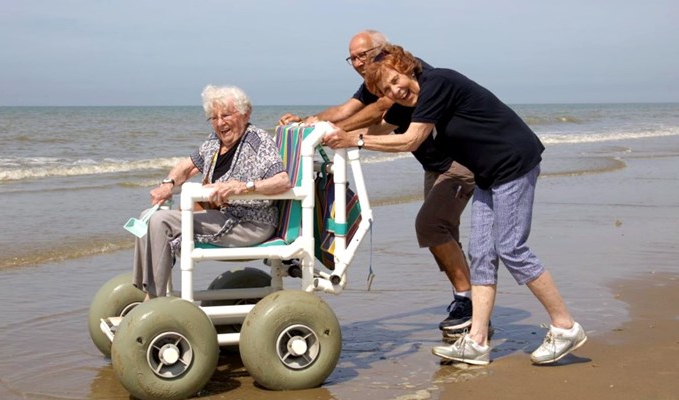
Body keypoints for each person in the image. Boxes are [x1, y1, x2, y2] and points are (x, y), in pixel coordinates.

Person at [323, 43, 586, 365]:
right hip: (489, 173)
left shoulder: (438, 84)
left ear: (406, 67)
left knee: (511, 248)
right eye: (387, 89)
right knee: (481, 254)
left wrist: (357, 140)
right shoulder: (410, 103)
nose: (396, 89)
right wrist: (322, 130)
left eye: (396, 80)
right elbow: (379, 127)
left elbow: (410, 140)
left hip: (514, 164)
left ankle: (565, 326)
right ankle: (476, 341)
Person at [280, 30, 477, 337]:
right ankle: (467, 303)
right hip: (435, 165)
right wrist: (308, 122)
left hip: (459, 163)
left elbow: (380, 110)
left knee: (430, 226)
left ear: (384, 50)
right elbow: (347, 111)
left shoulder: (401, 73)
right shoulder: (373, 80)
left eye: (364, 55)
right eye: (353, 58)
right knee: (444, 233)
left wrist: (335, 132)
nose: (358, 62)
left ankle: (468, 302)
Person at [133, 85, 291, 299]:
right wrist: (167, 184)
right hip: (221, 217)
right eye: (213, 118)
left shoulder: (258, 141)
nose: (220, 123)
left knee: (161, 221)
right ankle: (146, 288)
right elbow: (187, 167)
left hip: (249, 223)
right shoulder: (213, 143)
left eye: (225, 115)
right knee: (145, 218)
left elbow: (282, 181)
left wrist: (244, 187)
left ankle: (153, 299)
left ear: (245, 114)